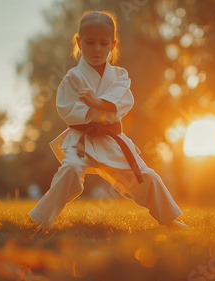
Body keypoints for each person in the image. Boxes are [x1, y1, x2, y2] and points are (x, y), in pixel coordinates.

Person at [29, 11, 186, 233]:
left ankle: (169, 219)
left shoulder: (120, 76)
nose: (96, 49)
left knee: (145, 176)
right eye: (90, 42)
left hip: (112, 141)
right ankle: (41, 221)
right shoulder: (73, 77)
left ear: (112, 45)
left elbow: (124, 103)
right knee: (71, 168)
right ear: (79, 42)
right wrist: (96, 109)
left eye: (103, 44)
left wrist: (96, 102)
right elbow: (66, 109)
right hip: (80, 140)